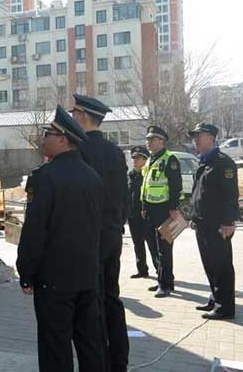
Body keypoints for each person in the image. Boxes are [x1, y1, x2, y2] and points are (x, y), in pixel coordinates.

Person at [17, 105, 105, 372]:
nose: (43, 138)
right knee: (90, 344)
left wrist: (26, 272)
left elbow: (35, 231)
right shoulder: (92, 176)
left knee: (55, 348)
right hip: (87, 276)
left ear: (63, 139)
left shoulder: (44, 178)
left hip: (54, 280)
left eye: (48, 133)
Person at [70, 94, 129, 372]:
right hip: (112, 235)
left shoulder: (78, 150)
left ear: (82, 116)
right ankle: (119, 361)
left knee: (91, 305)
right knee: (111, 298)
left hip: (88, 239)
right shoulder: (115, 152)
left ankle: (99, 363)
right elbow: (124, 196)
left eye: (73, 113)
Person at [188, 123, 238, 320]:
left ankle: (225, 307)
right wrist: (194, 217)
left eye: (198, 136)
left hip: (218, 225)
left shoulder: (223, 162)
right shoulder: (204, 161)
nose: (194, 140)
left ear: (210, 137)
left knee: (222, 265)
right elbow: (198, 193)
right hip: (202, 223)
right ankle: (215, 298)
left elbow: (230, 195)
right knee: (209, 264)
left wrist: (228, 222)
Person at [141, 125, 182, 298]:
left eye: (151, 139)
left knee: (164, 247)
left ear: (161, 141)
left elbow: (175, 186)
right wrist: (143, 206)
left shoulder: (169, 159)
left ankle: (165, 285)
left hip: (164, 209)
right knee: (154, 245)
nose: (148, 142)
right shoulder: (151, 159)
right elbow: (146, 185)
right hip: (150, 208)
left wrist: (173, 208)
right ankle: (163, 279)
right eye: (147, 139)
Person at [127, 146, 159, 279]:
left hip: (145, 215)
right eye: (133, 157)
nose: (134, 160)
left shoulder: (148, 175)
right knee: (138, 244)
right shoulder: (130, 175)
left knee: (152, 244)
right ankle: (142, 270)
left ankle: (160, 272)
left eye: (138, 158)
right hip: (133, 215)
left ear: (145, 160)